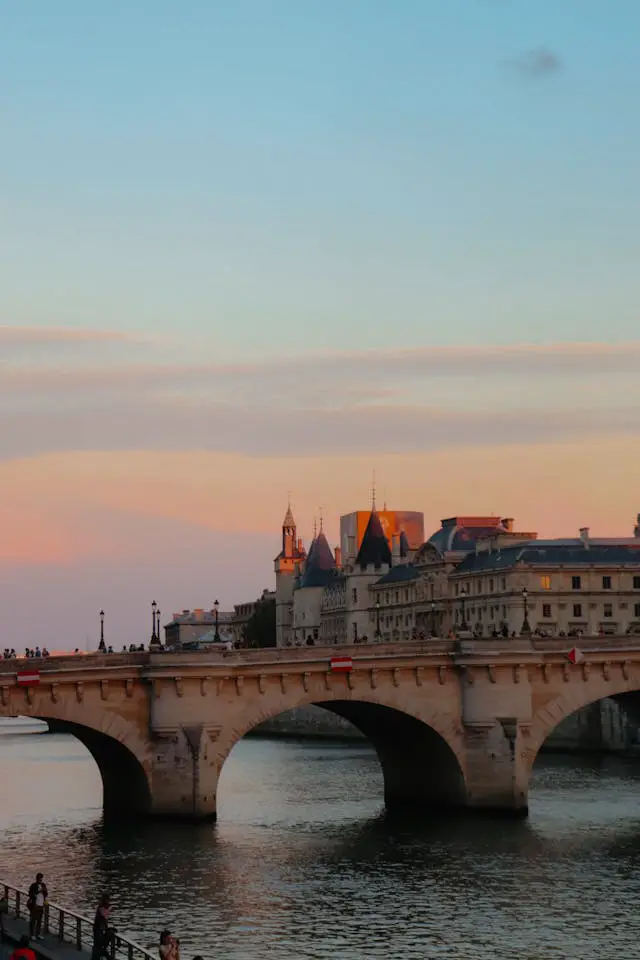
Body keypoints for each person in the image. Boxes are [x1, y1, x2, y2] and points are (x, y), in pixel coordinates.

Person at [27, 872, 48, 940]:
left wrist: (44, 891)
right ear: (37, 879)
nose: (41, 880)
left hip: (41, 904)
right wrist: (38, 891)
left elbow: (46, 894)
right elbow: (30, 894)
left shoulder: (43, 885)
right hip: (35, 905)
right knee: (33, 920)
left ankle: (38, 934)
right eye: (40, 879)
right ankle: (32, 934)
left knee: (39, 920)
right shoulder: (33, 885)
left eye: (41, 879)